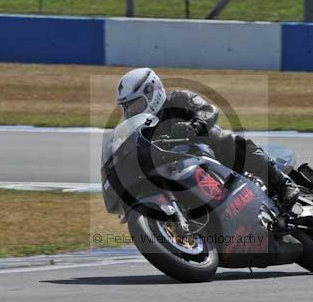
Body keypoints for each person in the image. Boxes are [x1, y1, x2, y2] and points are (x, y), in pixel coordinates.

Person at [115, 67, 300, 210]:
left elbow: (209, 110)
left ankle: (282, 184)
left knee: (227, 141)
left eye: (135, 104)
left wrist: (194, 126)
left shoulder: (179, 98)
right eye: (127, 108)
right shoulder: (142, 128)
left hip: (207, 151)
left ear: (152, 92)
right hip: (177, 168)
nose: (132, 112)